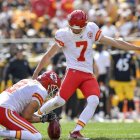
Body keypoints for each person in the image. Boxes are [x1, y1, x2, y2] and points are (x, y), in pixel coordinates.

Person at [32, 10, 140, 139]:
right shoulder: (64, 34)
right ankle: (34, 115)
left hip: (88, 74)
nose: (75, 30)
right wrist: (36, 72)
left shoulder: (91, 28)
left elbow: (115, 42)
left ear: (85, 25)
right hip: (73, 71)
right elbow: (49, 54)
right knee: (59, 101)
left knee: (94, 100)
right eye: (72, 28)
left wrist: (137, 48)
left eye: (78, 28)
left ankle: (76, 132)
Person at [0, 71, 61, 139]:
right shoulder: (41, 90)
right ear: (49, 85)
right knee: (36, 136)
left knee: (14, 135)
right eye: (54, 90)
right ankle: (1, 133)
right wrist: (43, 119)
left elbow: (23, 113)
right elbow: (26, 116)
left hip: (5, 108)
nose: (52, 93)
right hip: (5, 110)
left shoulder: (28, 81)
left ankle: (6, 136)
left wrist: (44, 117)